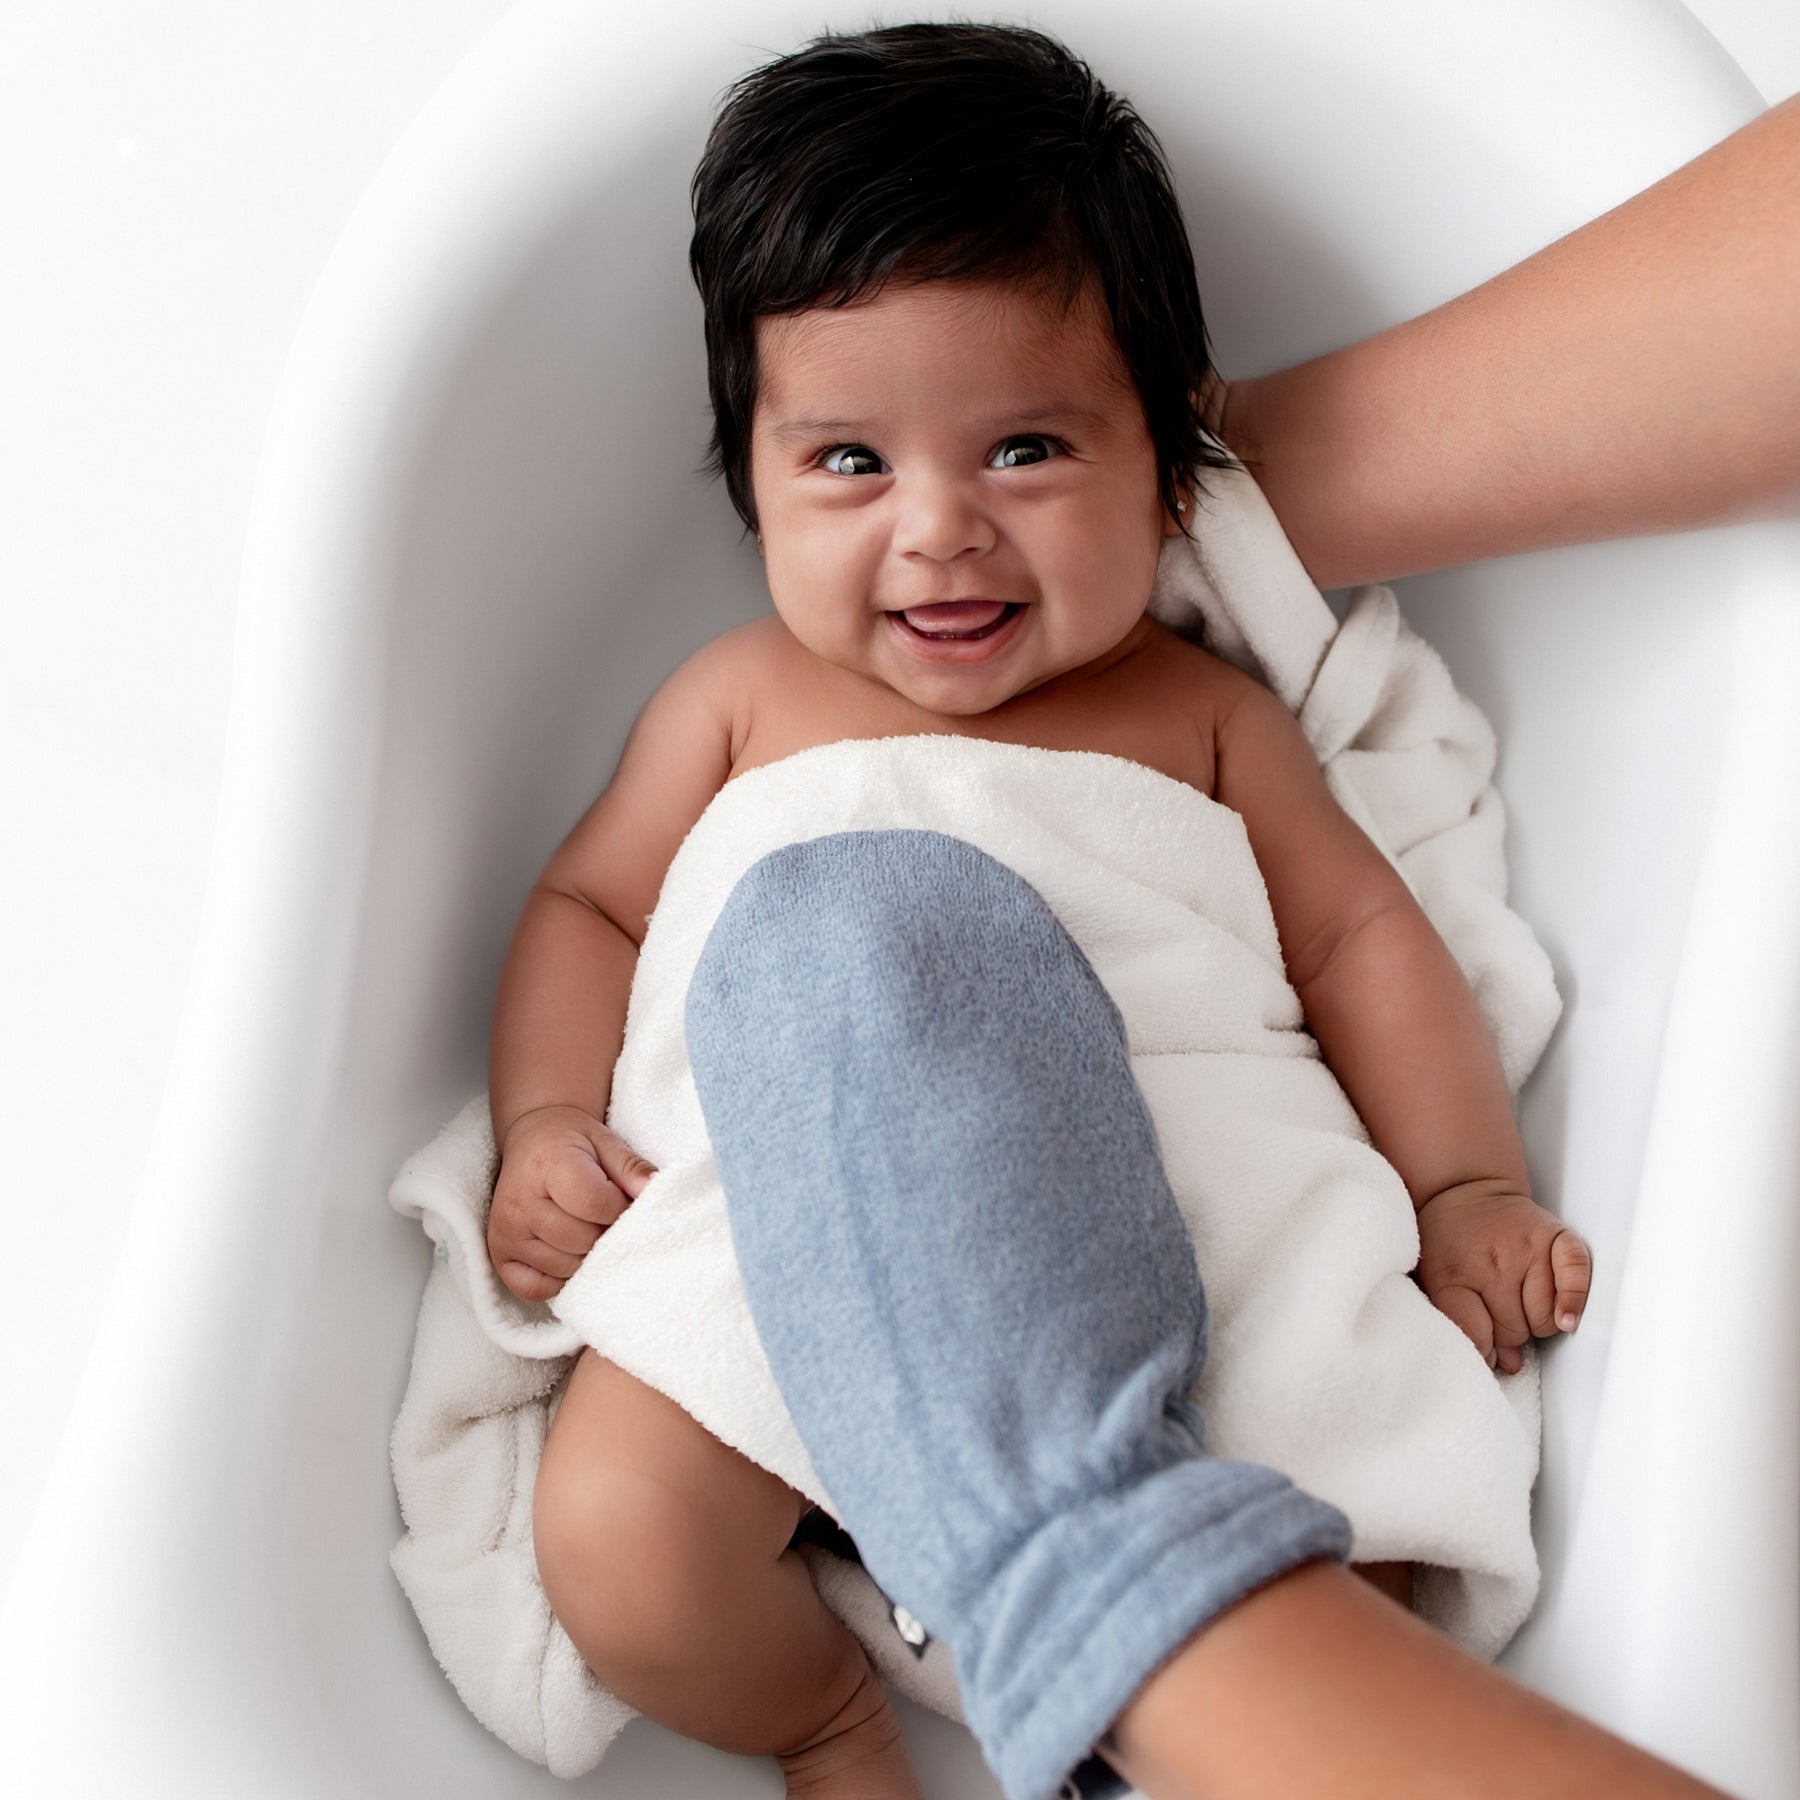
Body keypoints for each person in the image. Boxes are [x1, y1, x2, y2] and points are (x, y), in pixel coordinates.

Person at [483, 22, 1603, 1798]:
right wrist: (546, 1116)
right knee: (621, 1547)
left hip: (1187, 1182)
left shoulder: (1206, 711)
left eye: (1021, 451)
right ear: (750, 477)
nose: (938, 532)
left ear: (1167, 470)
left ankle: (1216, 1712)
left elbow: (1364, 944)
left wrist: (1466, 1185)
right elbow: (589, 912)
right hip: (816, 1191)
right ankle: (826, 1712)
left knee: (1353, 1546)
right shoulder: (736, 698)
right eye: (849, 462)